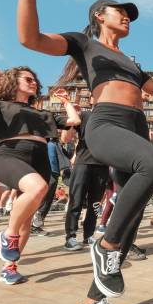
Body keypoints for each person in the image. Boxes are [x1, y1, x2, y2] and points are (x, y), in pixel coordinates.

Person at [14, 0, 153, 304]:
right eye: (119, 10)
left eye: (129, 13)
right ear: (98, 16)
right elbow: (29, 38)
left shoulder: (132, 63)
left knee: (132, 217)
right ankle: (103, 244)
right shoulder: (84, 43)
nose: (126, 16)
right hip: (106, 124)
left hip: (136, 125)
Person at [0, 66, 80, 284]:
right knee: (37, 188)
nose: (34, 82)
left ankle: (9, 267)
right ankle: (7, 234)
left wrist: (67, 102)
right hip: (10, 153)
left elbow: (74, 122)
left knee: (27, 221)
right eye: (28, 79)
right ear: (13, 82)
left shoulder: (43, 113)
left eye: (35, 80)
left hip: (40, 159)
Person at [64, 105, 110, 251]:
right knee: (76, 201)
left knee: (95, 204)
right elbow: (66, 138)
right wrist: (71, 116)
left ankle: (88, 235)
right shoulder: (84, 115)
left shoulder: (112, 118)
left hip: (103, 165)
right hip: (83, 163)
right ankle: (70, 237)